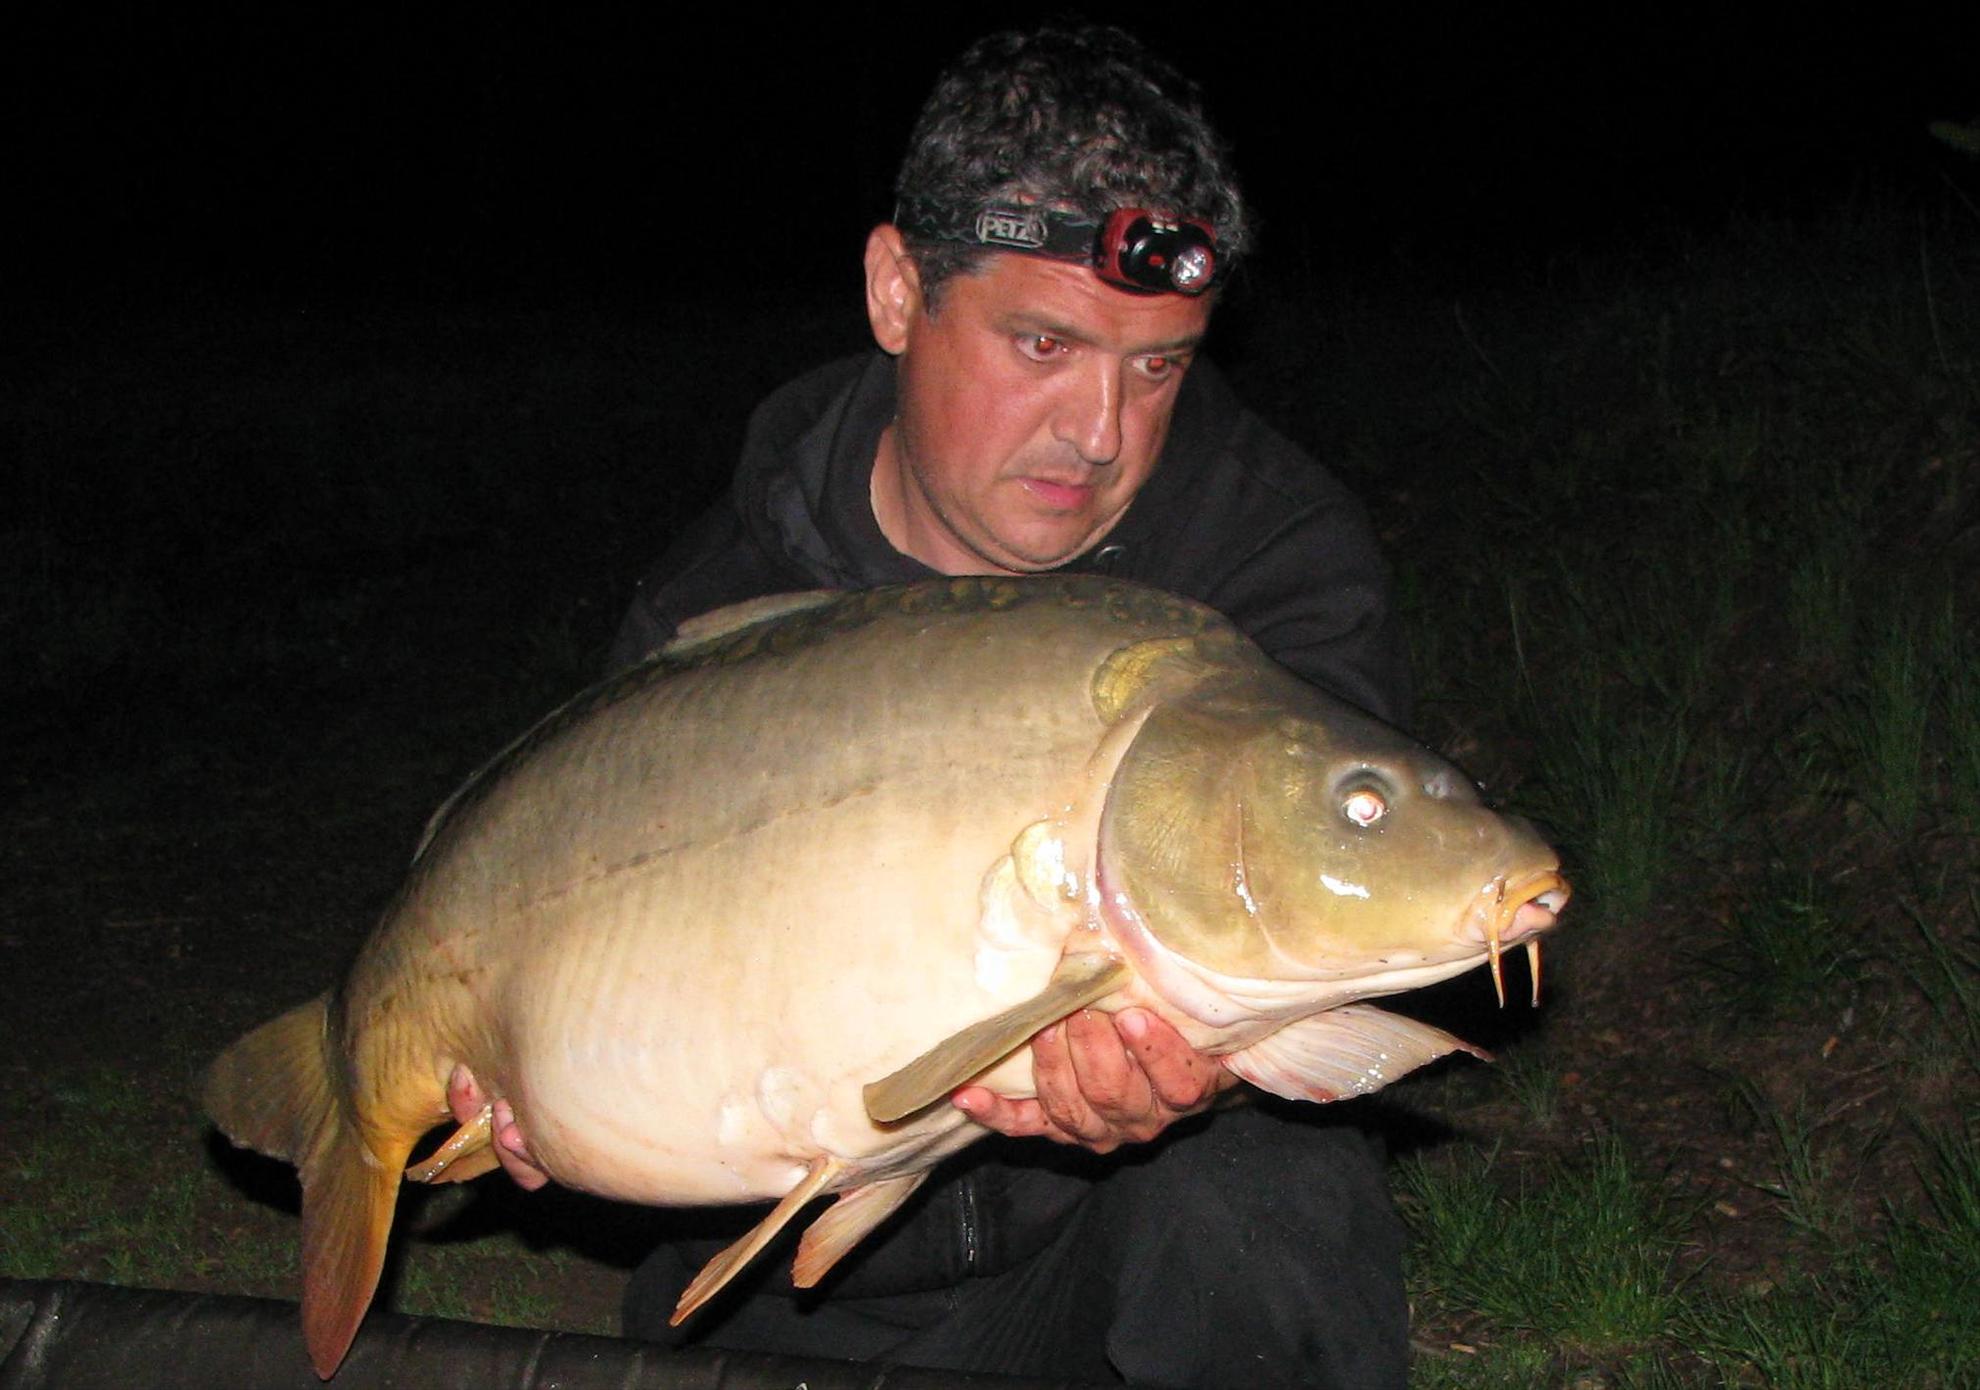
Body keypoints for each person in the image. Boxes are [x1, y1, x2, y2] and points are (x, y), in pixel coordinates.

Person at [455, 23, 1413, 1389]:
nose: (1101, 429)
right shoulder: (718, 610)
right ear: (898, 291)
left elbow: (1343, 908)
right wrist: (543, 1087)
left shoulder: (1267, 557)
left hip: (1117, 1247)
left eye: (1158, 365)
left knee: (1264, 1184)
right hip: (803, 1286)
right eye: (1044, 343)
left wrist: (1204, 1064)